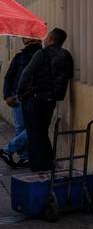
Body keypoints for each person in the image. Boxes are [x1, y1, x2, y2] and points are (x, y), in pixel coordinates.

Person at [17, 28, 74, 172]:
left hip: (36, 98)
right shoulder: (66, 55)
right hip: (52, 99)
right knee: (42, 130)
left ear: (52, 39)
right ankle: (48, 162)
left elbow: (27, 72)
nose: (45, 39)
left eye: (47, 36)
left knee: (34, 133)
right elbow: (69, 75)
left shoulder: (42, 53)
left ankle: (38, 165)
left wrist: (20, 92)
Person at [0, 37, 42, 168]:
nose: (27, 40)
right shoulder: (19, 57)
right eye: (26, 39)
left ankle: (8, 149)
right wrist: (7, 95)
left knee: (33, 127)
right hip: (17, 98)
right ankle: (24, 158)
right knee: (21, 129)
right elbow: (9, 76)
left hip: (33, 98)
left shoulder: (42, 56)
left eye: (31, 39)